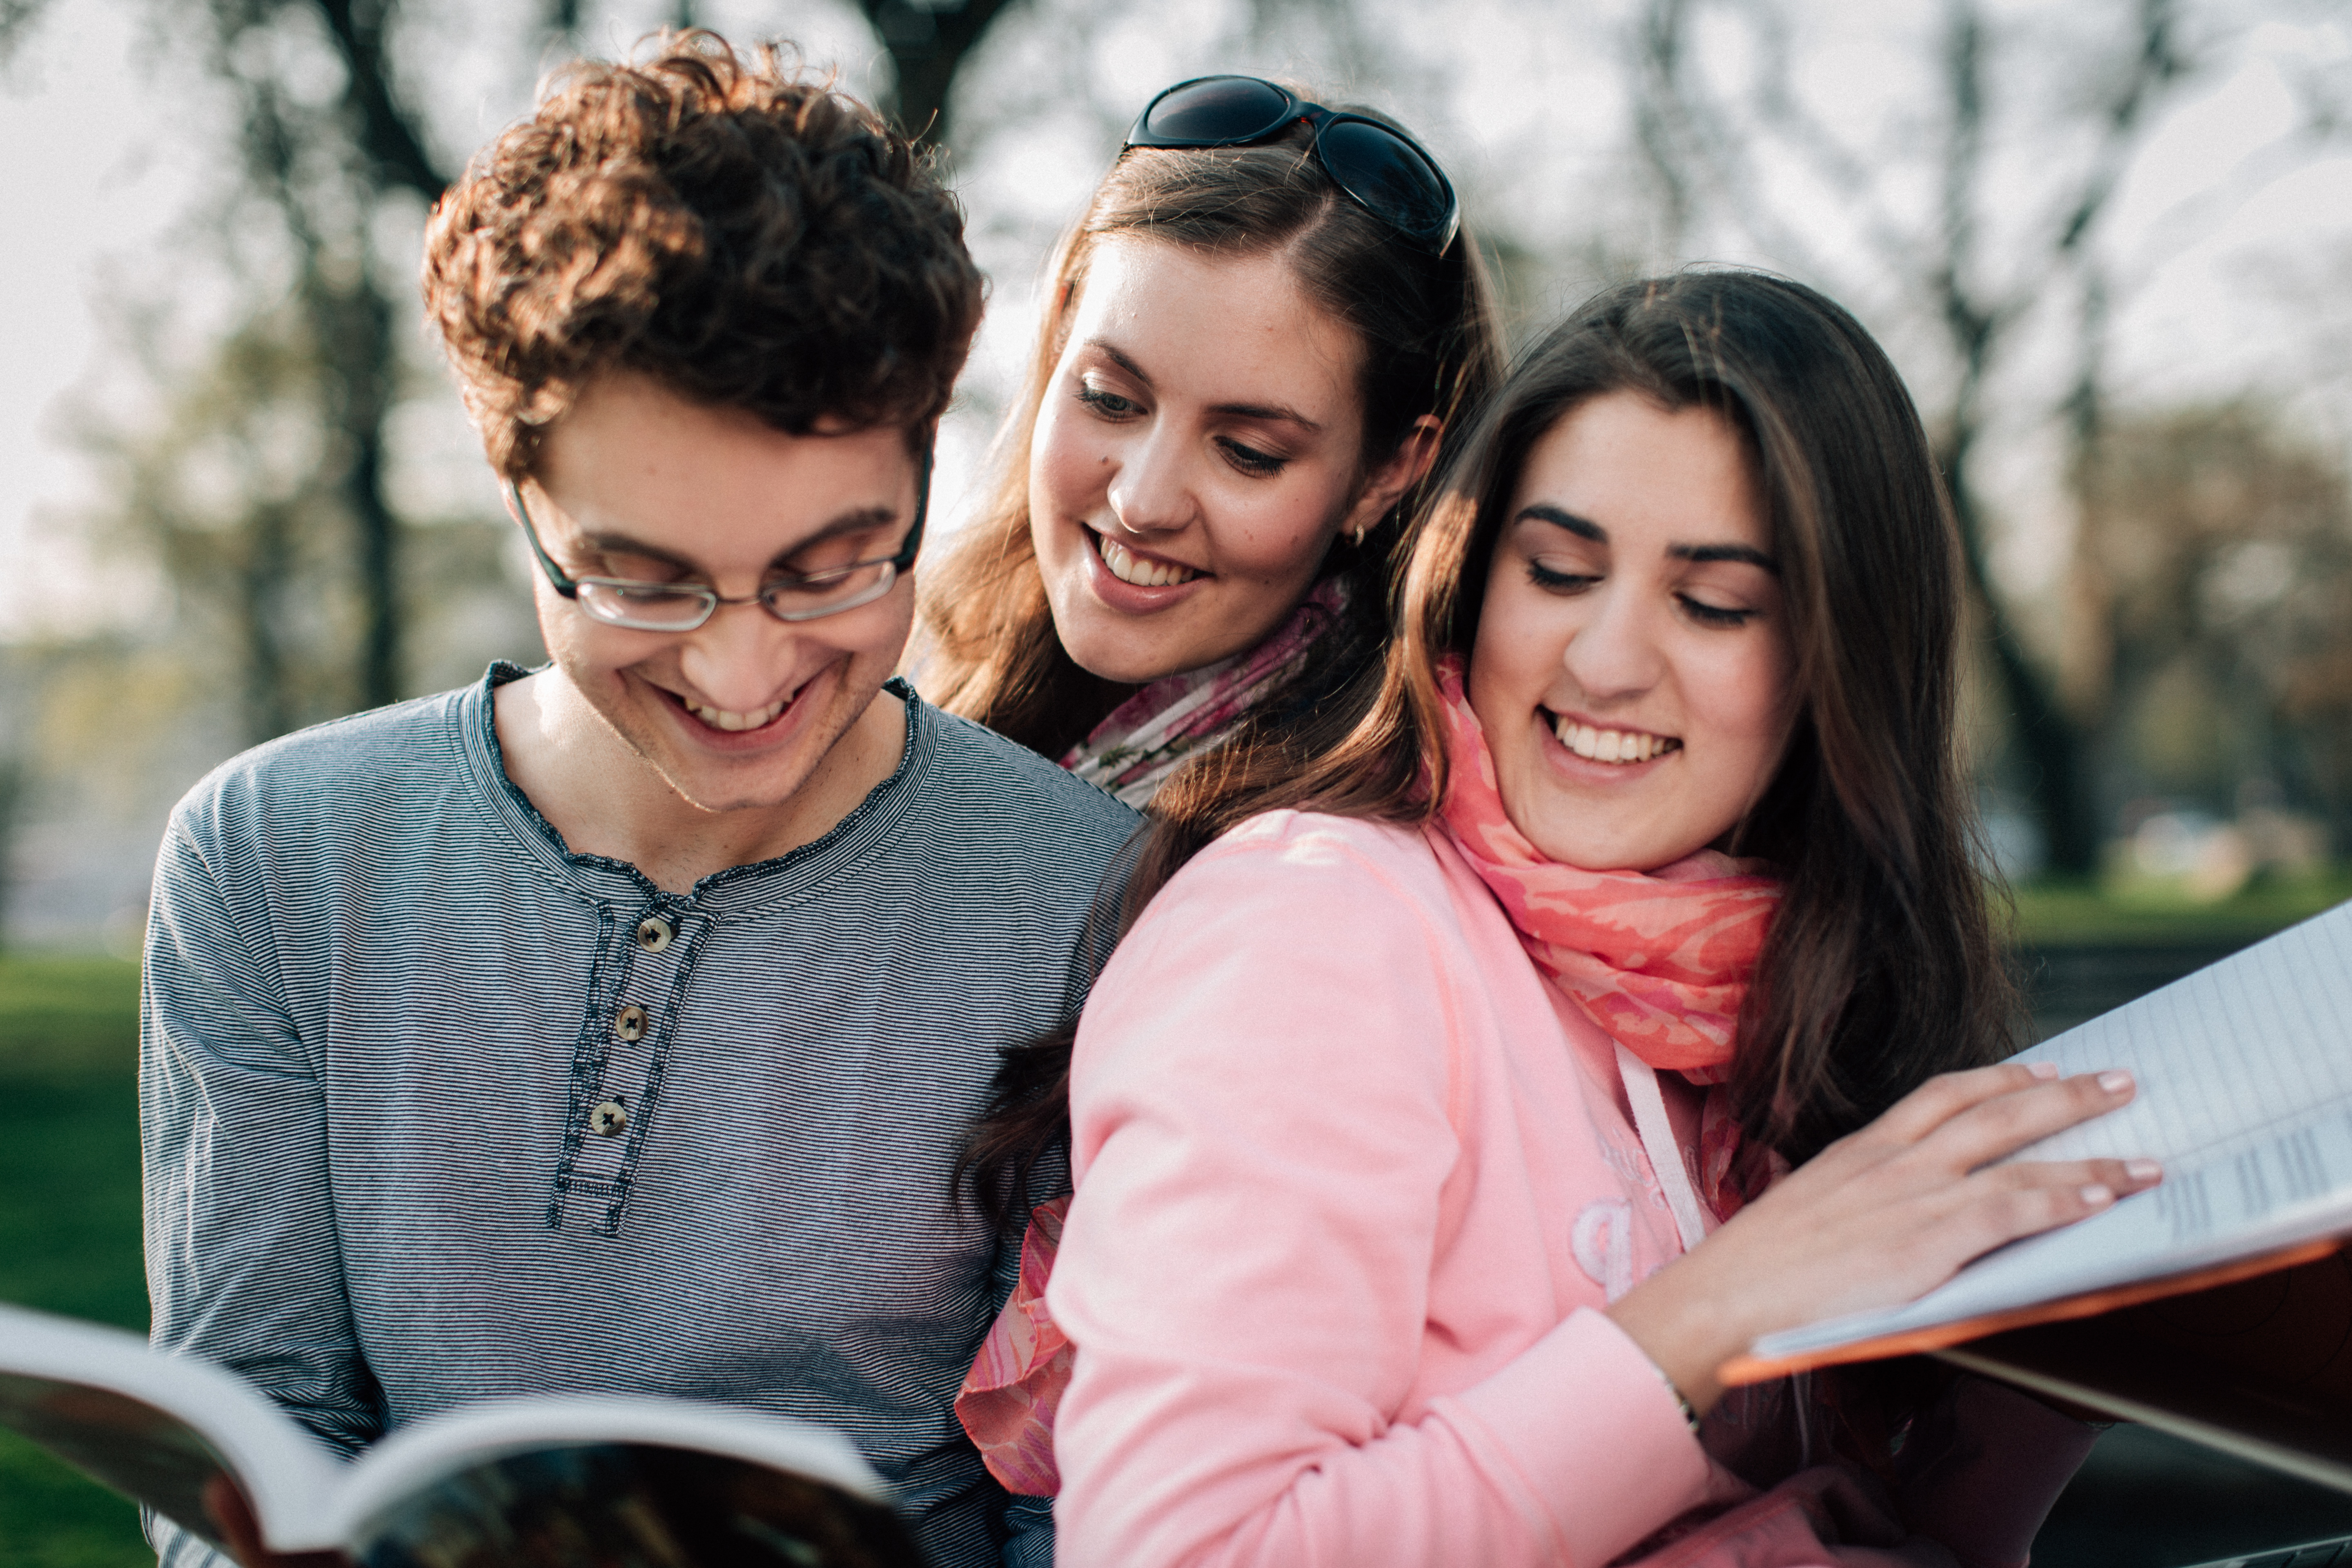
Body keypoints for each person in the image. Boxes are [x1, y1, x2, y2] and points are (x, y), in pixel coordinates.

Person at [138, 36, 1134, 1568]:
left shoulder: (1090, 899)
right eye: (644, 582)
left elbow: (1078, 1496)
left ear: (928, 468)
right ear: (516, 491)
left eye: (830, 568)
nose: (742, 673)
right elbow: (248, 1439)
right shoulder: (270, 860)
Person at [1036, 272, 2162, 1566]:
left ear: (1837, 657)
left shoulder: (1755, 992)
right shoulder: (1315, 927)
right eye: (1559, 571)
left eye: (1714, 604)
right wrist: (1723, 1307)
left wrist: (2031, 1400)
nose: (1606, 660)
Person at [921, 78, 1501, 1492]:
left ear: (1389, 471)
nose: (1141, 496)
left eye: (1249, 449)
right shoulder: (954, 695)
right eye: (1110, 396)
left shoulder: (1333, 858)